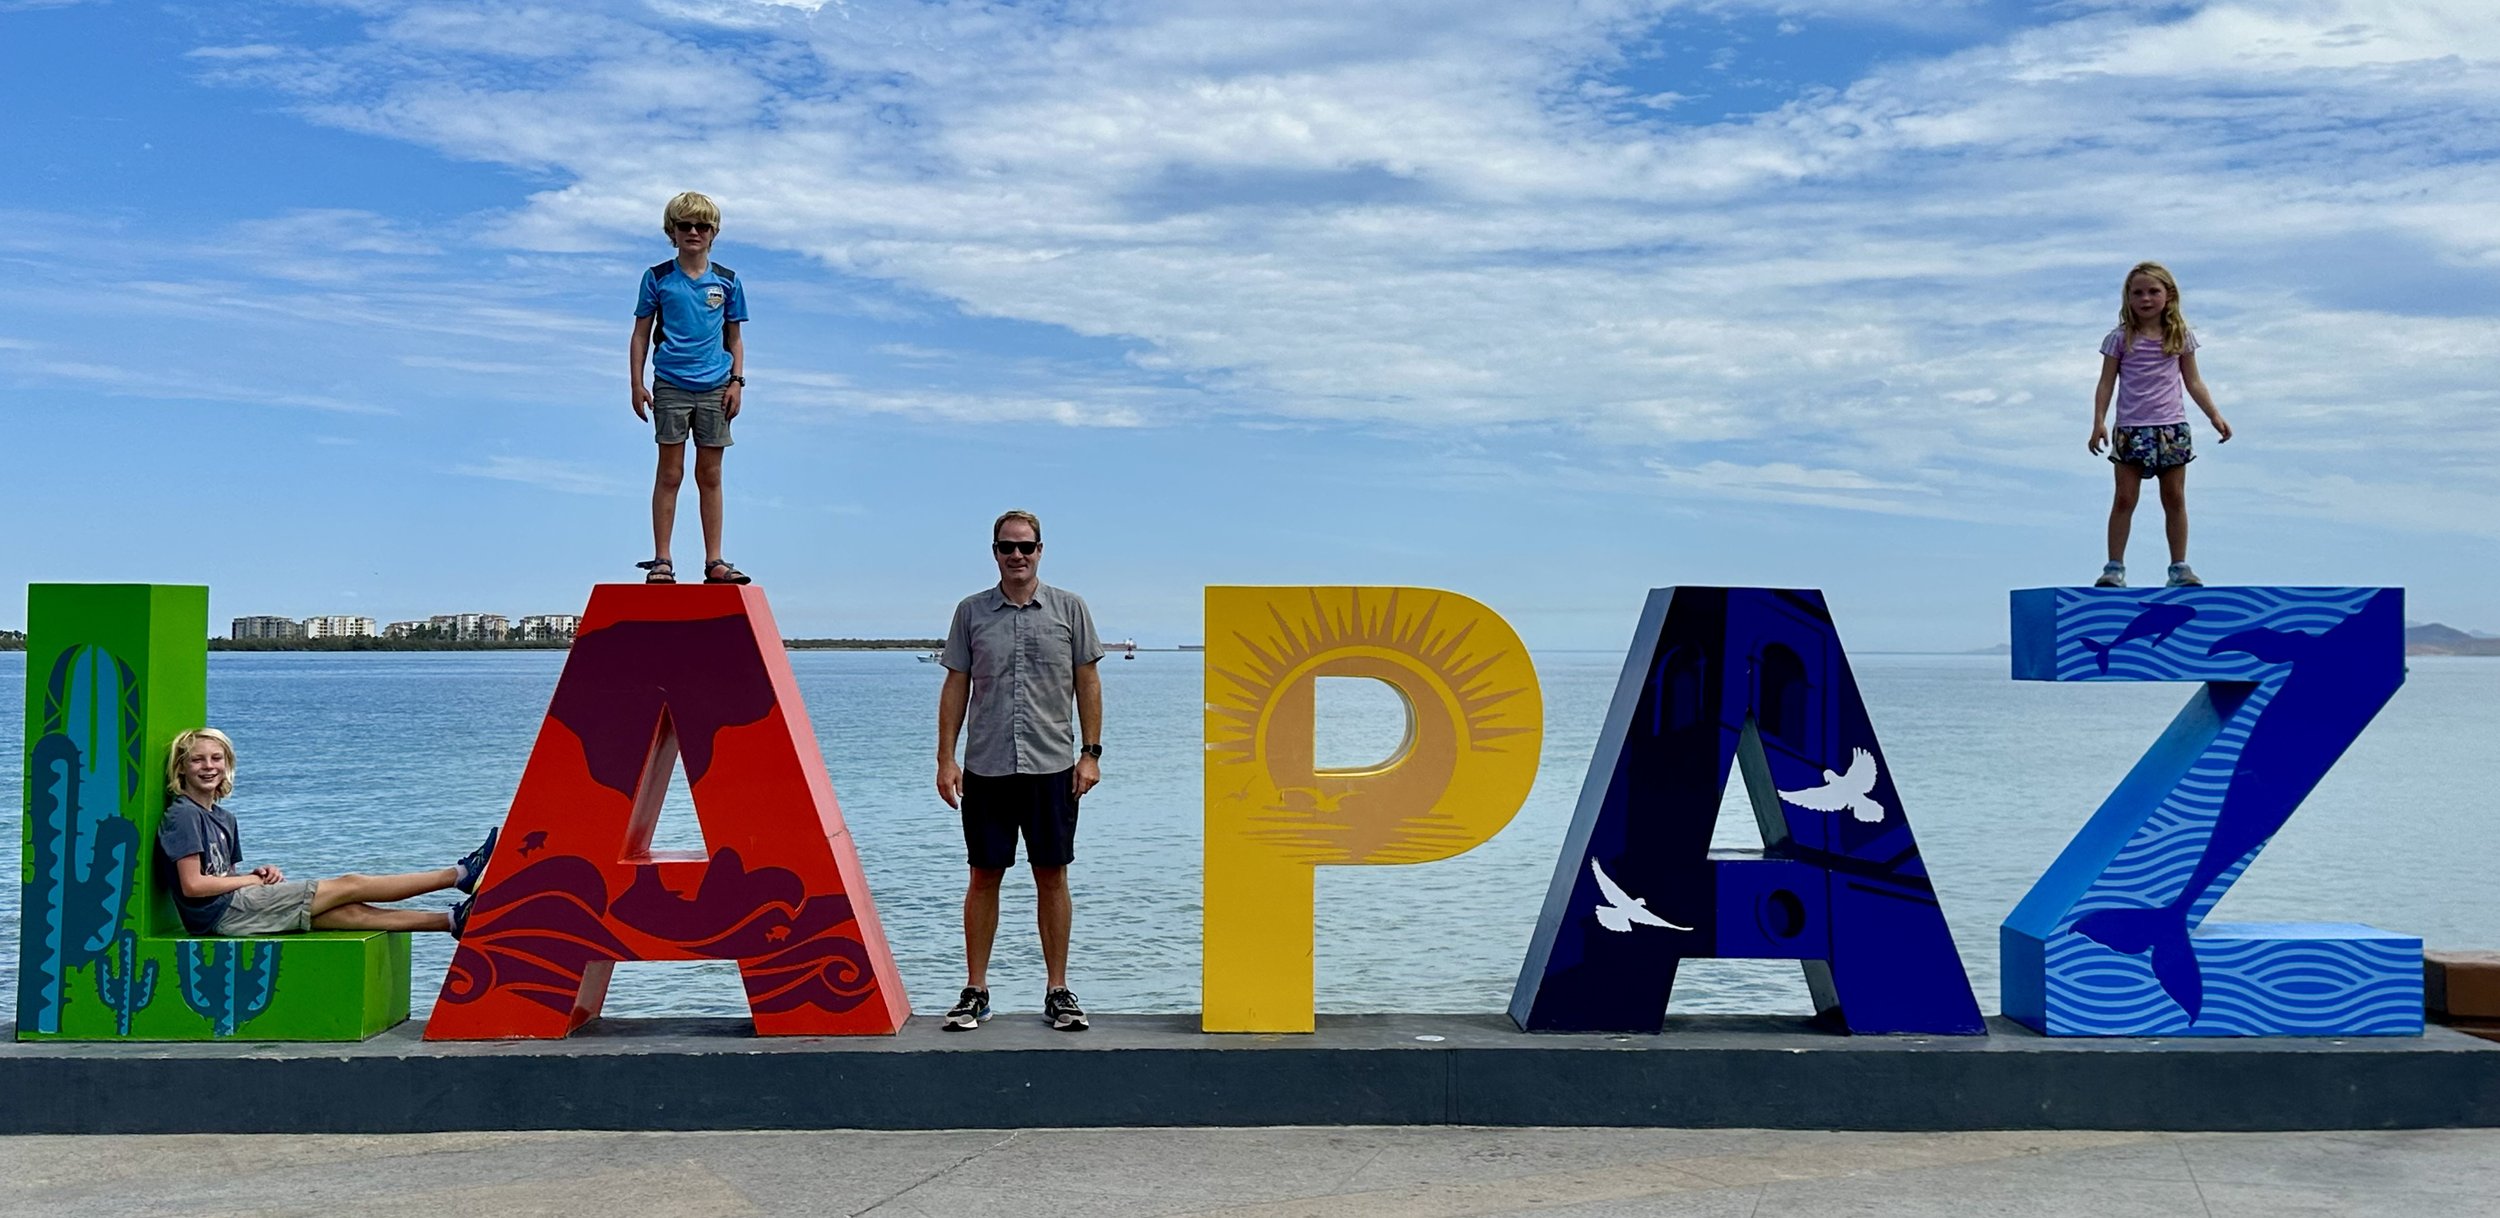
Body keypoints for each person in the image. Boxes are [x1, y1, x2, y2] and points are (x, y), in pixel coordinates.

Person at [934, 510, 1105, 1031]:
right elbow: (956, 685)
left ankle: (1058, 990)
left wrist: (1091, 754)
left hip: (1052, 765)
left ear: (1040, 551)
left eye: (1026, 547)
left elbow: (1088, 682)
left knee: (1052, 875)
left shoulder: (1070, 609)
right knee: (983, 875)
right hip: (986, 766)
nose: (1017, 556)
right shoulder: (970, 612)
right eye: (1007, 547)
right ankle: (976, 990)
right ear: (994, 552)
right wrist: (945, 759)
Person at [157, 728, 498, 937]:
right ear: (181, 768)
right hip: (222, 915)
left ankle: (452, 921)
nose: (209, 766)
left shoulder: (223, 817)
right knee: (351, 884)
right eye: (197, 760)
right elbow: (193, 885)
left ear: (227, 764)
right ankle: (460, 874)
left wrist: (255, 874)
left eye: (216, 758)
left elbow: (223, 877)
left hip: (234, 908)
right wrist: (250, 881)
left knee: (348, 913)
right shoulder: (183, 814)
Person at [629, 190, 752, 587]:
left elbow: (735, 338)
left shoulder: (727, 281)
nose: (694, 232)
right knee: (670, 473)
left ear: (713, 232)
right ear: (673, 231)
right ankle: (662, 560)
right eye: (685, 225)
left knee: (710, 474)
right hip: (670, 384)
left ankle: (714, 561)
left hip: (716, 386)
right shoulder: (658, 277)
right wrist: (636, 384)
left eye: (702, 226)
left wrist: (737, 382)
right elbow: (641, 334)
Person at [2088, 261, 2233, 588]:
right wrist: (2098, 422)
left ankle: (2179, 566)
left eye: (2153, 291)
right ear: (2128, 297)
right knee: (2124, 498)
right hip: (2131, 430)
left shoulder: (2179, 336)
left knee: (2174, 498)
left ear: (2168, 295)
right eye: (2138, 292)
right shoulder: (2119, 338)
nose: (2146, 299)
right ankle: (2114, 567)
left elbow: (2193, 381)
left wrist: (2214, 415)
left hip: (2171, 429)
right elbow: (2106, 383)